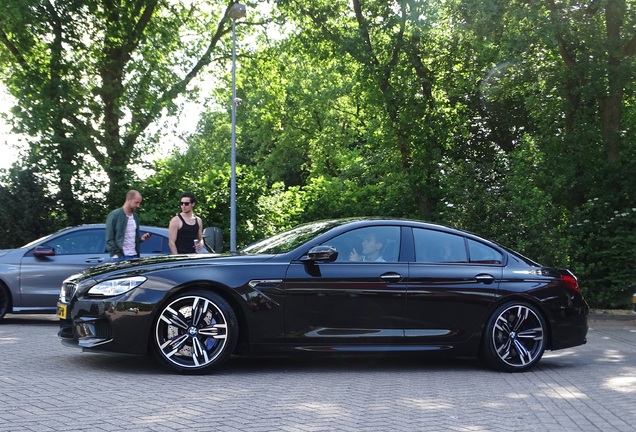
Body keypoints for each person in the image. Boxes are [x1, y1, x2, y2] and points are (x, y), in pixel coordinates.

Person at [105, 189, 152, 261]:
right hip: (120, 257)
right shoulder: (115, 215)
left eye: (139, 203)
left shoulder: (135, 216)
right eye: (136, 202)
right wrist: (116, 254)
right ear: (128, 200)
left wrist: (141, 239)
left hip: (134, 255)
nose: (138, 205)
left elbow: (130, 238)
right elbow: (109, 237)